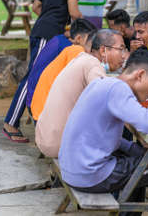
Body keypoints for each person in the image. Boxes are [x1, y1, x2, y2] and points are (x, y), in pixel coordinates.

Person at [59, 49, 148, 216]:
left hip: (73, 169)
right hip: (90, 174)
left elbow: (108, 137)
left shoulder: (103, 83)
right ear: (140, 75)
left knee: (141, 162)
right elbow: (147, 124)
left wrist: (135, 150)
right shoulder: (119, 89)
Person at [3, 0, 97, 142]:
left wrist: (48, 18)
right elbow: (74, 11)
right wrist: (89, 26)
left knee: (41, 74)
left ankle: (36, 118)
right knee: (32, 76)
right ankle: (11, 122)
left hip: (41, 30)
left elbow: (36, 6)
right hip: (49, 34)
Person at [36, 29, 126, 158]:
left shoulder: (82, 59)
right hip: (60, 145)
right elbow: (104, 99)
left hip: (45, 138)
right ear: (103, 50)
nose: (123, 55)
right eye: (120, 49)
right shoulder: (92, 64)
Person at [26, 18, 97, 112]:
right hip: (44, 107)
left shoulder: (59, 39)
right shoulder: (72, 49)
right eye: (90, 41)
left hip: (34, 100)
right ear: (79, 38)